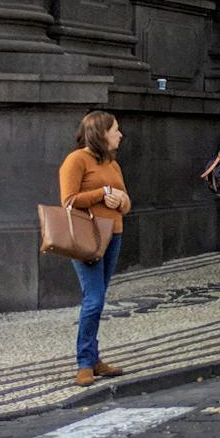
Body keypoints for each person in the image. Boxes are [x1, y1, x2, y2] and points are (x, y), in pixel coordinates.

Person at [59, 110, 133, 386]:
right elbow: (68, 200)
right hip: (87, 236)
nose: (120, 134)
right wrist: (102, 194)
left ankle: (93, 357)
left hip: (113, 234)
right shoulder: (76, 160)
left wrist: (120, 201)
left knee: (98, 297)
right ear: (101, 133)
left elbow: (126, 202)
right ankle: (85, 362)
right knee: (94, 298)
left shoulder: (112, 164)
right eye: (115, 129)